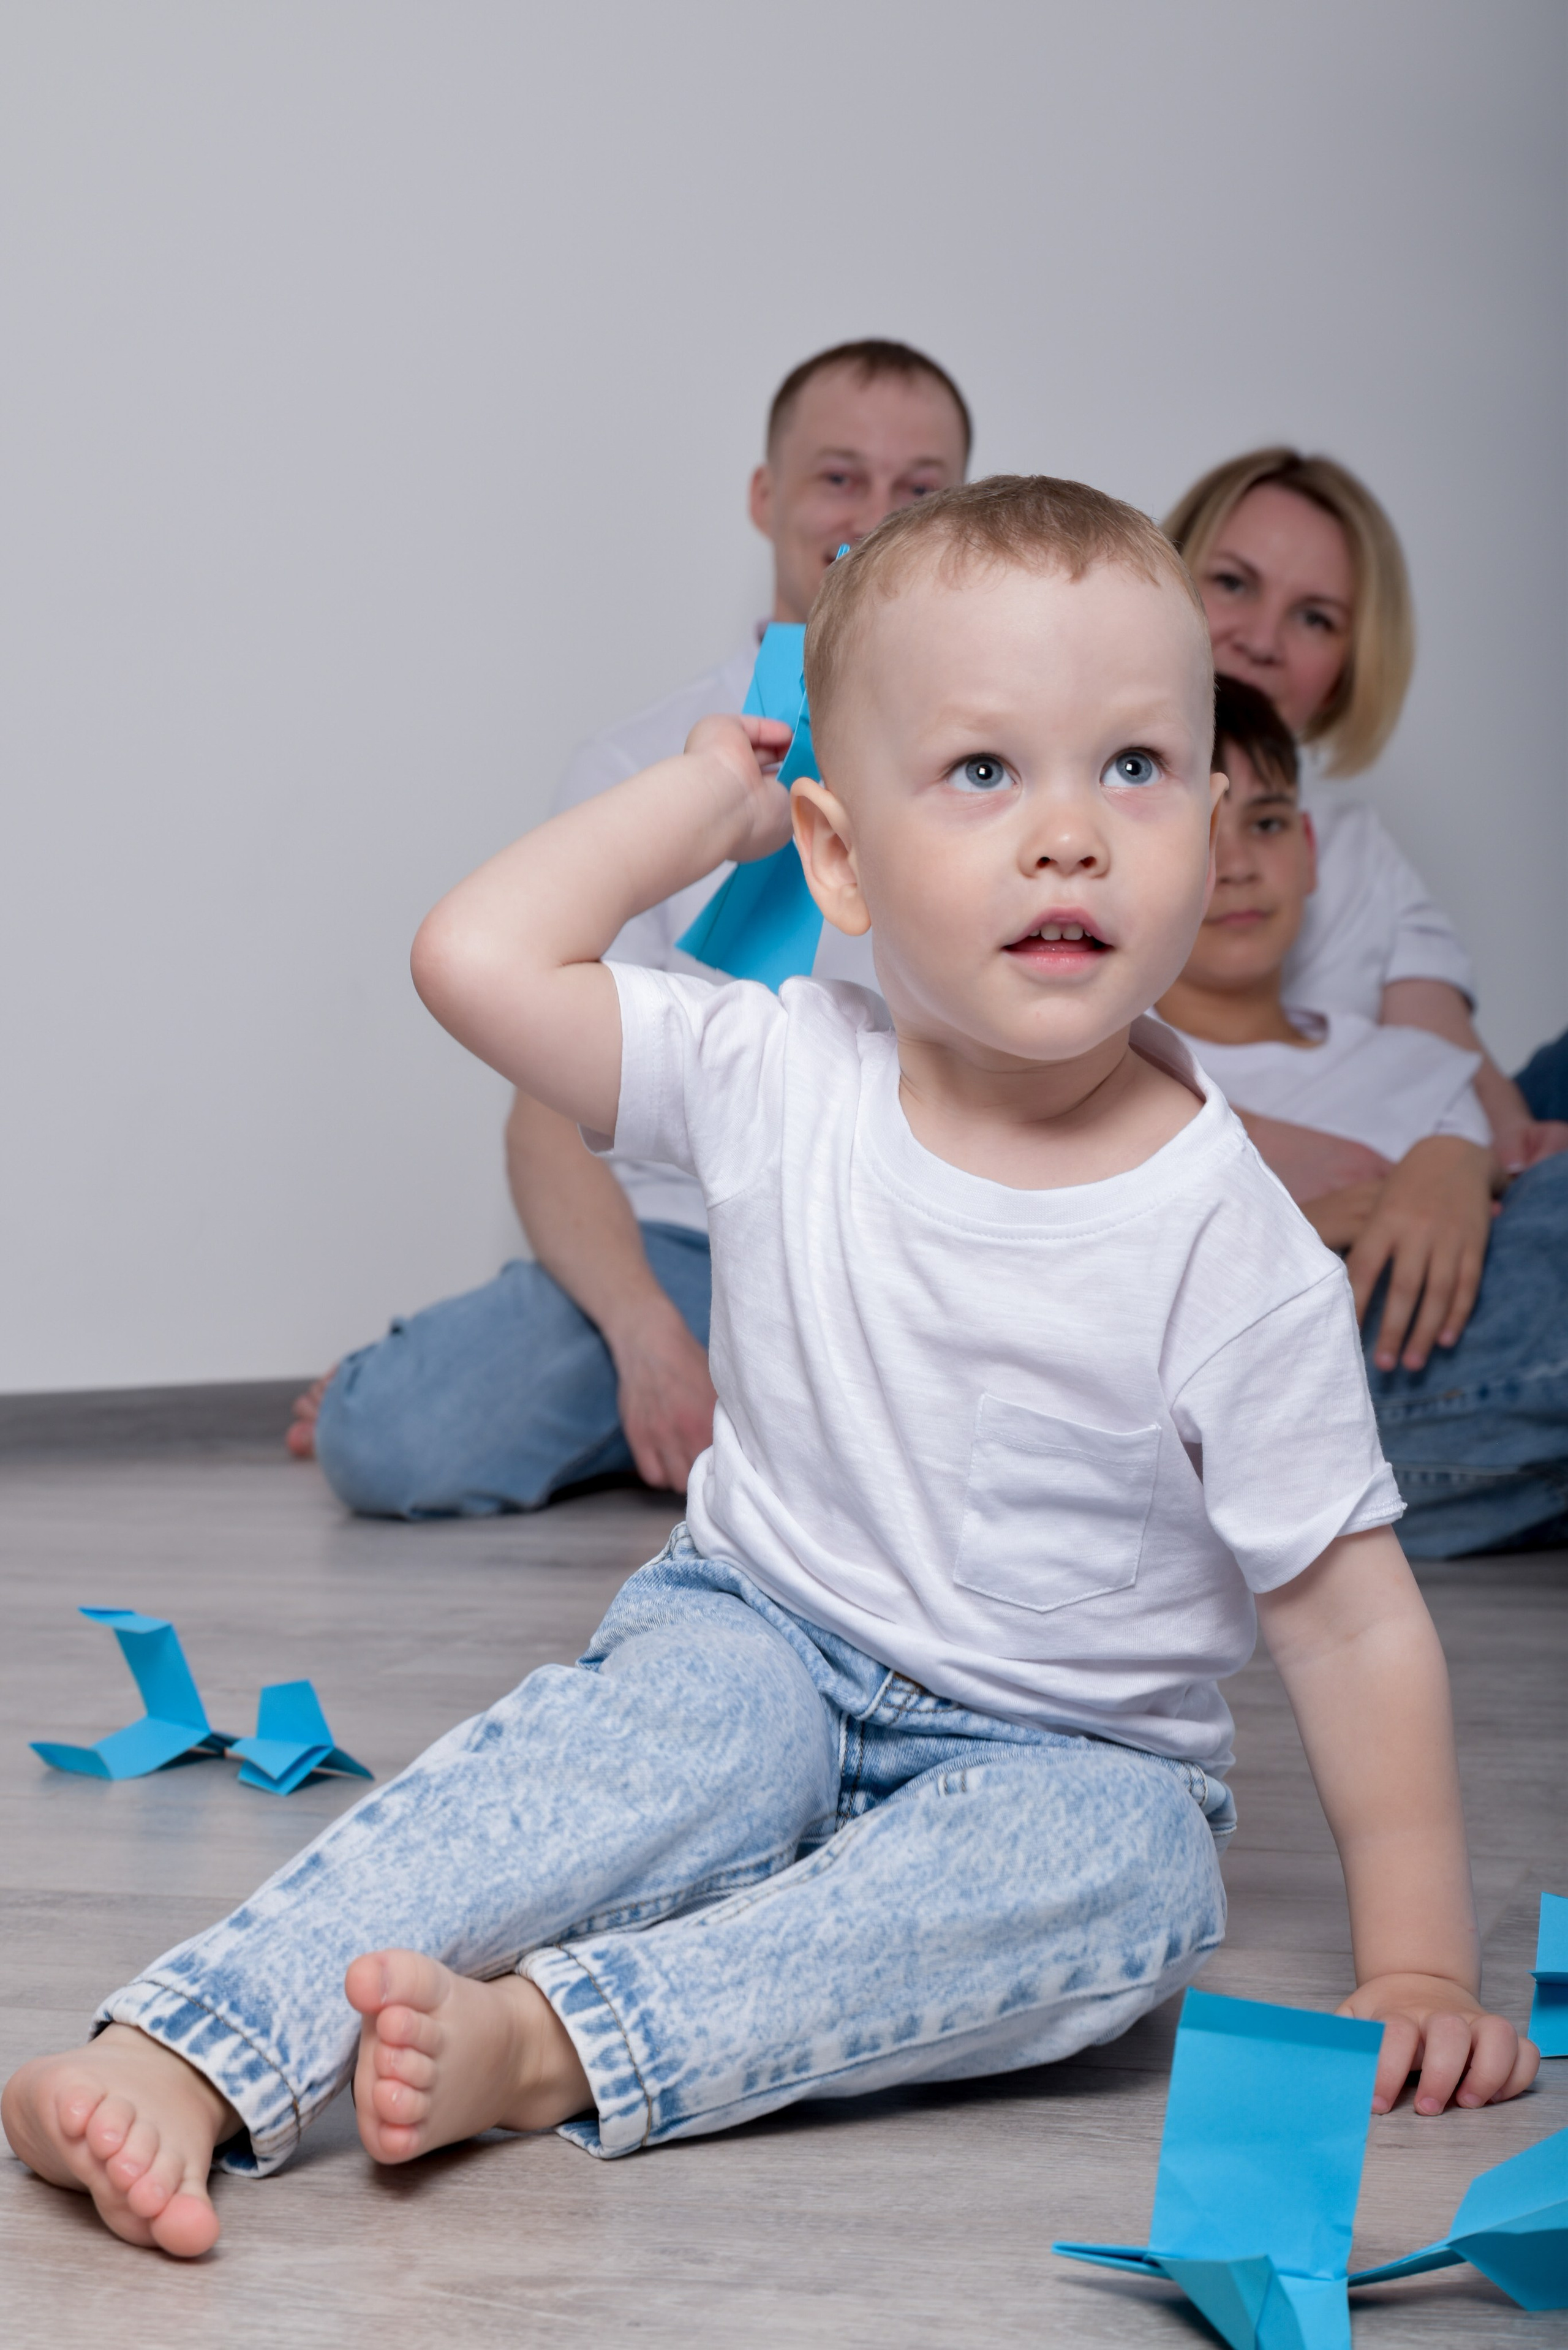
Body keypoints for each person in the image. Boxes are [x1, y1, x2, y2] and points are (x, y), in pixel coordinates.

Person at [5, 477, 1534, 2259]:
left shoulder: (1229, 1238)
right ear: (836, 857)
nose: (1066, 836)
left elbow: (1346, 1624)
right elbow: (475, 959)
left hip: (1065, 1745)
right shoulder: (776, 1068)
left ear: (1208, 827)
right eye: (982, 770)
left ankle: (556, 2042)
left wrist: (1416, 1962)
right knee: (638, 1749)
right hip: (763, 1635)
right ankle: (182, 2050)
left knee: (1134, 1871)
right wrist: (702, 806)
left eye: (1129, 768)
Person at [287, 338, 973, 1513]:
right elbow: (547, 1110)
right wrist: (646, 1335)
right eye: (838, 477)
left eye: (920, 487)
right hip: (686, 1246)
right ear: (765, 496)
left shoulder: (1002, 763)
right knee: (397, 1434)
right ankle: (704, 1413)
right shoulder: (637, 764)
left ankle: (752, 1438)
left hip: (910, 1245)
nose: (874, 514)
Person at [1158, 677, 1568, 1557]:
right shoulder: (1129, 1064)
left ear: (1310, 852)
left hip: (1473, 1351)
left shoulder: (1415, 1062)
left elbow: (1499, 1204)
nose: (1239, 864)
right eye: (1201, 833)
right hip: (1311, 1387)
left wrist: (1457, 1160)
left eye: (1268, 825)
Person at [1164, 446, 1568, 1191]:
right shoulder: (1079, 810)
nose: (1261, 641)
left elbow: (1445, 1055)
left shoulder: (1357, 848)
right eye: (1233, 583)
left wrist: (1496, 1156)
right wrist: (1265, 1153)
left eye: (1313, 618)